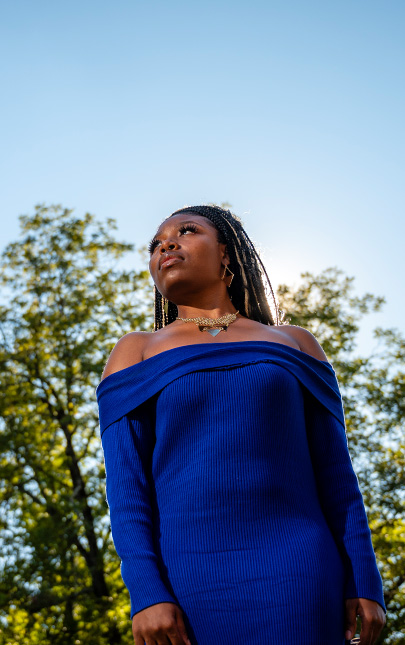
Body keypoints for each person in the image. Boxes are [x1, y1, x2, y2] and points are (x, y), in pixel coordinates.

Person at [96, 205, 387, 645]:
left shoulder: (295, 342)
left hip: (301, 570)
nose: (166, 245)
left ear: (226, 254)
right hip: (188, 577)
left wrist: (364, 578)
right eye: (155, 244)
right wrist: (146, 592)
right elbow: (126, 489)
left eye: (186, 231)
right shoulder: (134, 351)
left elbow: (338, 478)